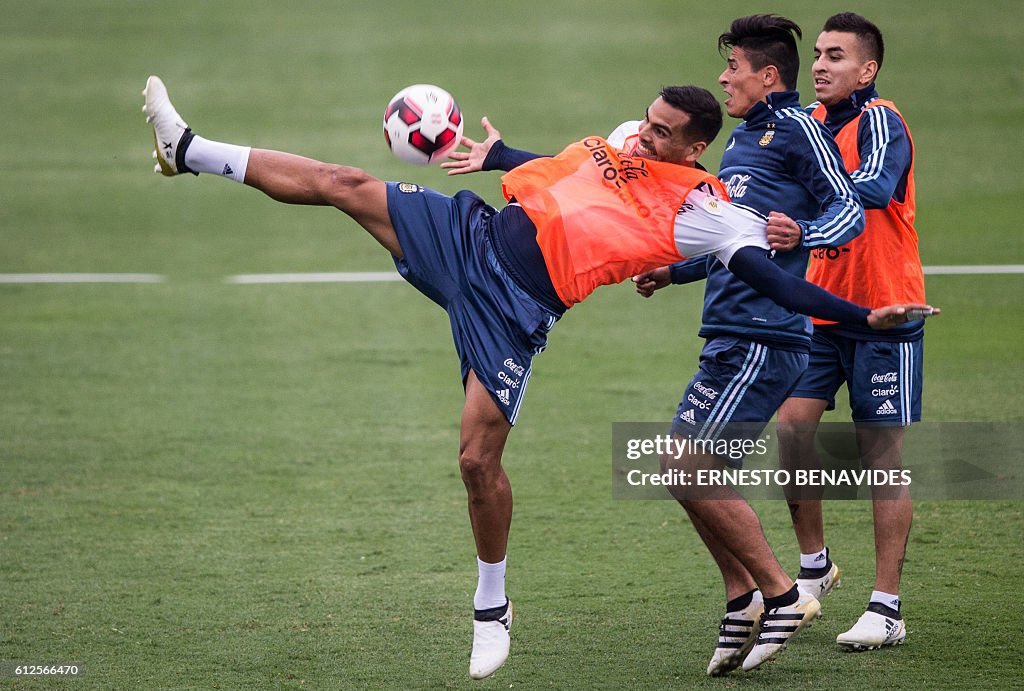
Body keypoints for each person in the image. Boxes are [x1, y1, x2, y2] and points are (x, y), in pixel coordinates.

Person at [143, 76, 931, 679]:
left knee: (475, 462)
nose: (642, 135)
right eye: (646, 121)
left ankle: (493, 603)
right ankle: (188, 150)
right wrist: (498, 156)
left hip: (515, 310)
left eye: (661, 133)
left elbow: (775, 280)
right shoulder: (623, 138)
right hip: (473, 236)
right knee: (343, 183)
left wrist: (861, 318)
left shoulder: (706, 208)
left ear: (692, 149)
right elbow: (564, 172)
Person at [632, 15, 868, 675]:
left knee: (687, 466)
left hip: (765, 334)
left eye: (732, 67)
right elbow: (732, 241)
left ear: (767, 75)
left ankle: (783, 594)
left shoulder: (796, 129)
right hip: (730, 331)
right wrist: (673, 271)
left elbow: (848, 208)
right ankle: (742, 598)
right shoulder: (742, 142)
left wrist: (809, 233)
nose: (722, 77)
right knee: (684, 475)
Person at [774, 12, 925, 652]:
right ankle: (815, 569)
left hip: (885, 311)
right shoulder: (806, 126)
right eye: (818, 54)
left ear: (867, 70)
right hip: (820, 309)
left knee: (879, 458)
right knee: (791, 429)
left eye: (836, 56)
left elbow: (876, 186)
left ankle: (885, 608)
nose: (820, 65)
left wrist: (809, 210)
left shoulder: (882, 120)